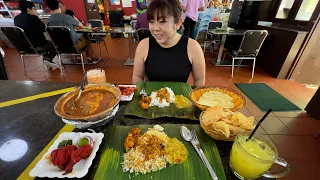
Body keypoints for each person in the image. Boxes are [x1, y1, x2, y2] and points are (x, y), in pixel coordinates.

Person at [132, 0, 206, 86]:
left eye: (162, 22)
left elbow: (199, 80)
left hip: (179, 98)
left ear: (178, 23)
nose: (155, 28)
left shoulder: (193, 47)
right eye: (151, 22)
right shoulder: (143, 45)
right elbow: (137, 76)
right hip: (151, 97)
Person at [14, 0, 59, 69]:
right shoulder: (33, 18)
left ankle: (47, 59)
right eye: (34, 9)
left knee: (47, 44)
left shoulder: (16, 19)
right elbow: (45, 29)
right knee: (56, 44)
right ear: (28, 9)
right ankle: (47, 58)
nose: (36, 11)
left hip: (23, 47)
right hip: (37, 45)